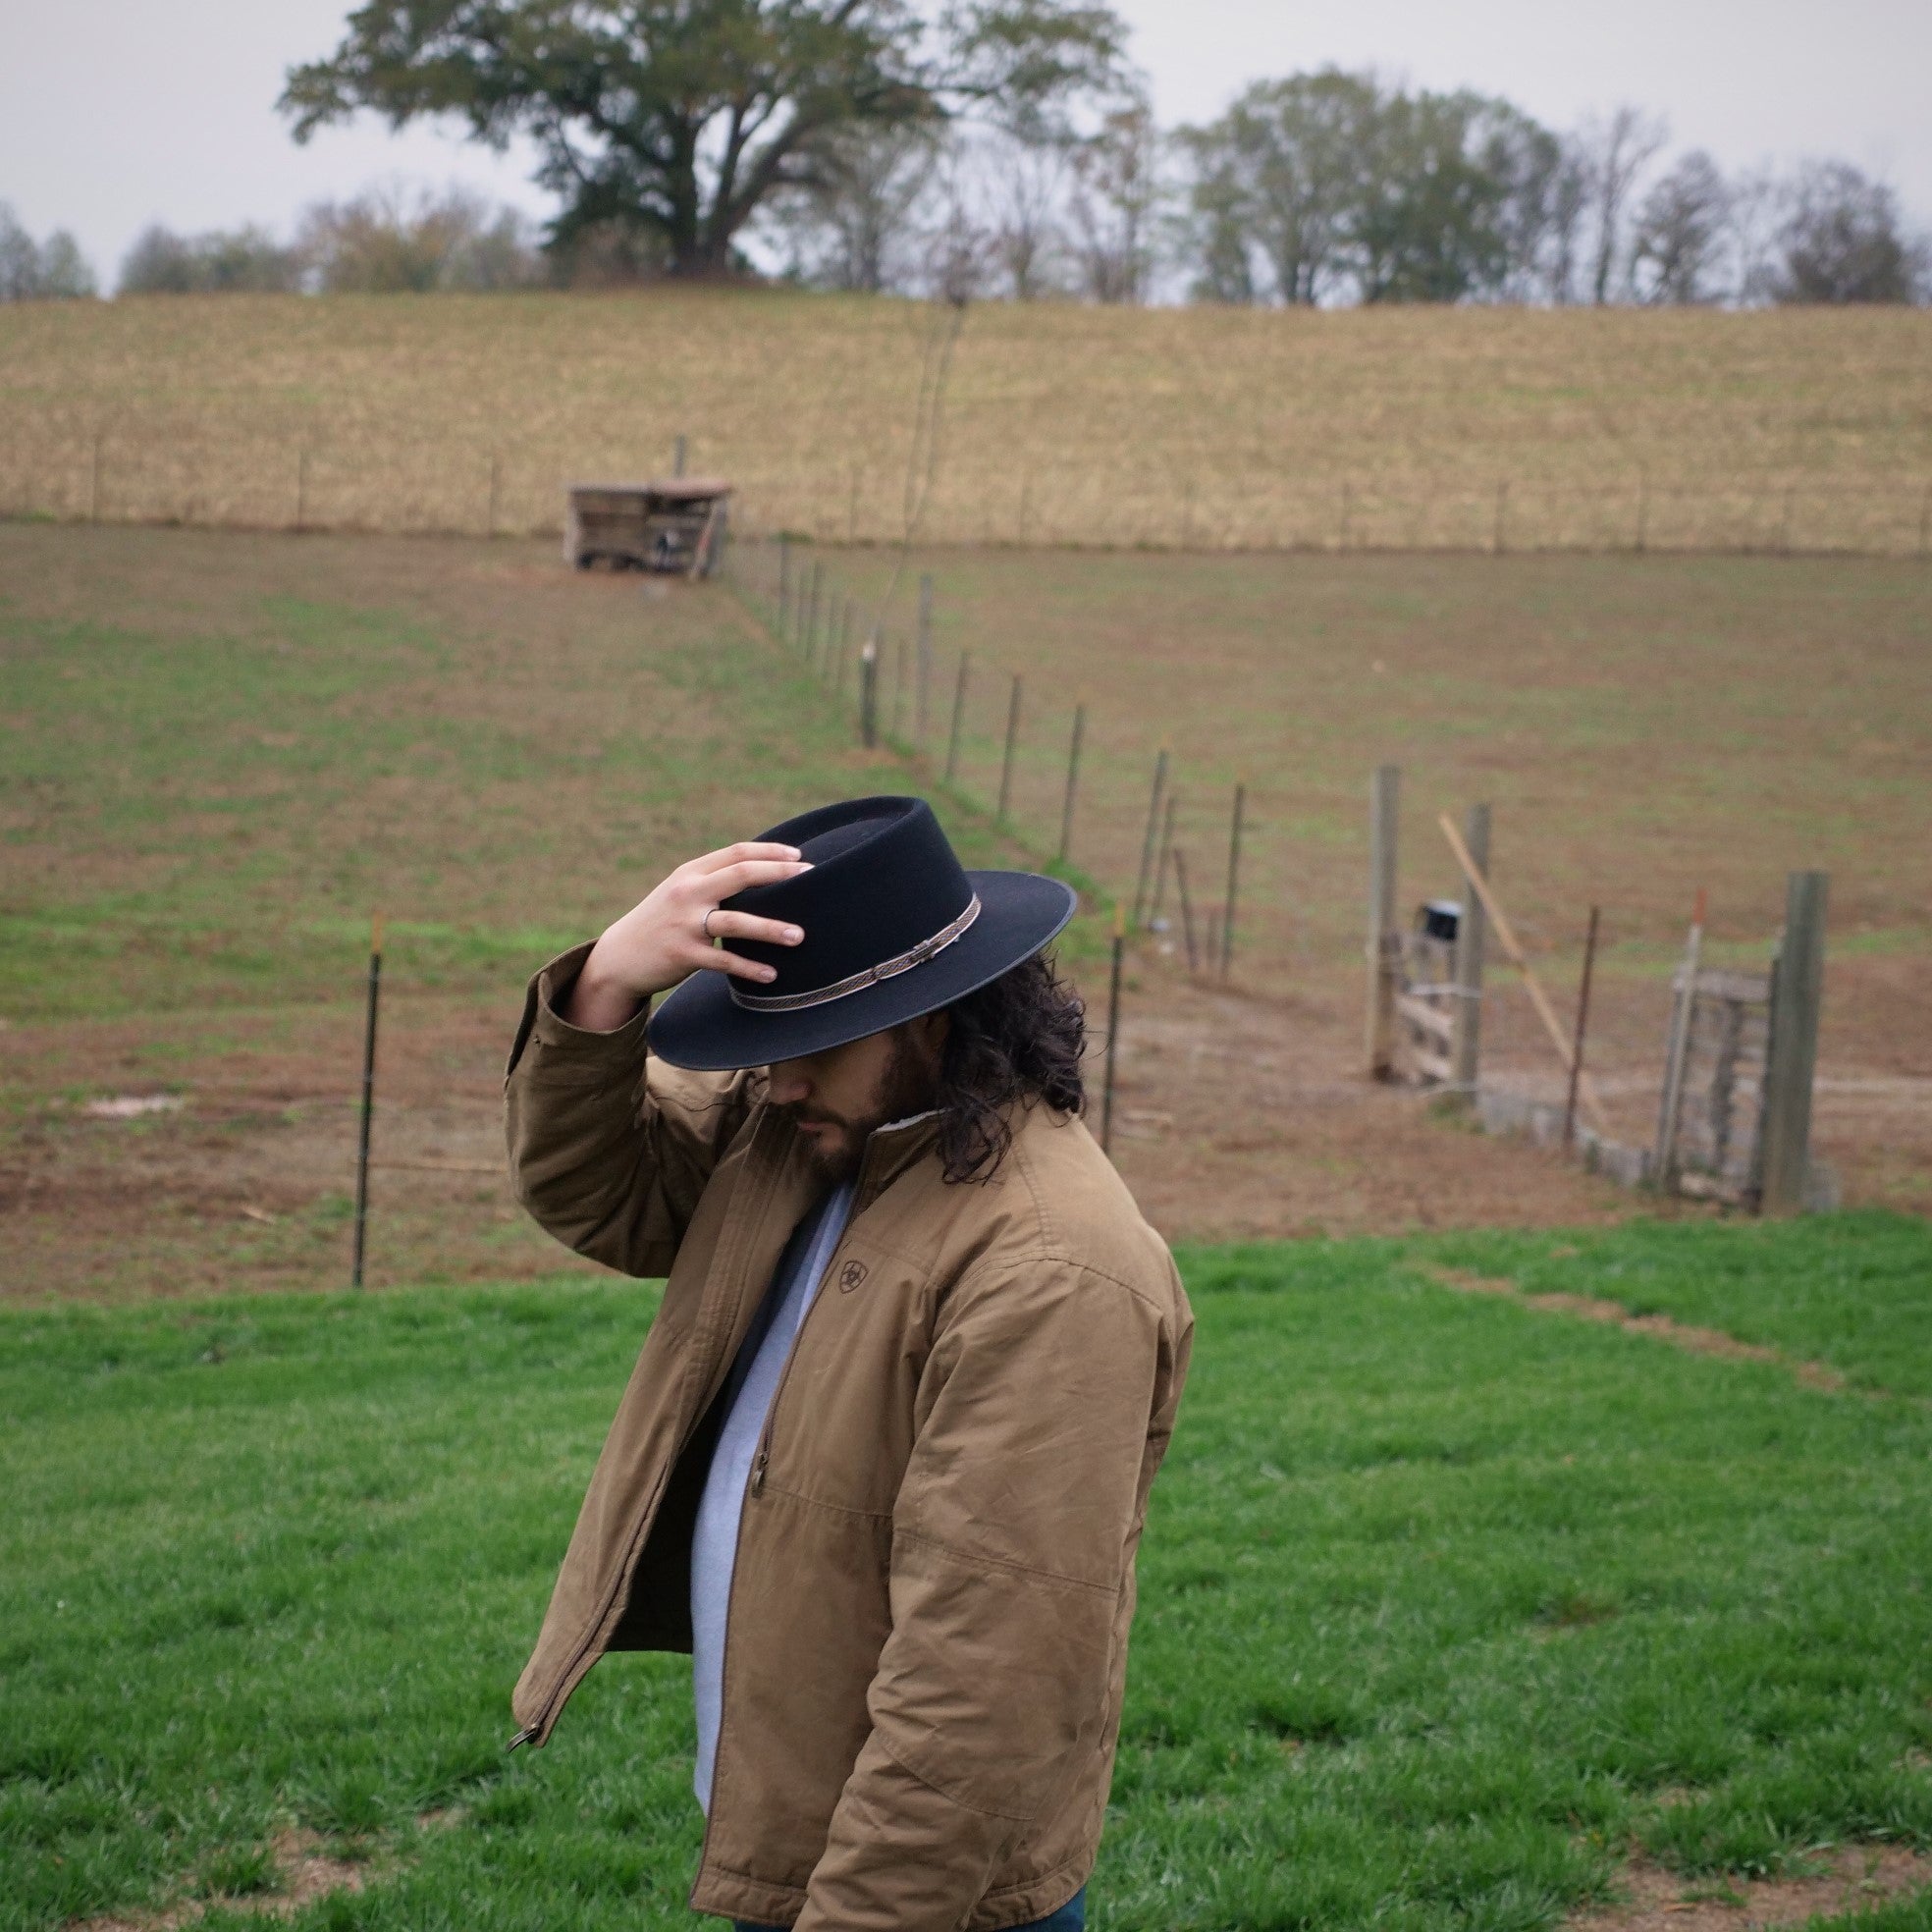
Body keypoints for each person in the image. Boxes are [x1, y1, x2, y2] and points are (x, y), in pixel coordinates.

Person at [503, 794, 1193, 1931]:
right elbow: (605, 1192)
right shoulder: (808, 1126)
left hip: (919, 1887)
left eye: (807, 1048)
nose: (774, 1082)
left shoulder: (1052, 1266)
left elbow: (984, 1683)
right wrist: (605, 989)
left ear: (933, 1017)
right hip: (797, 1827)